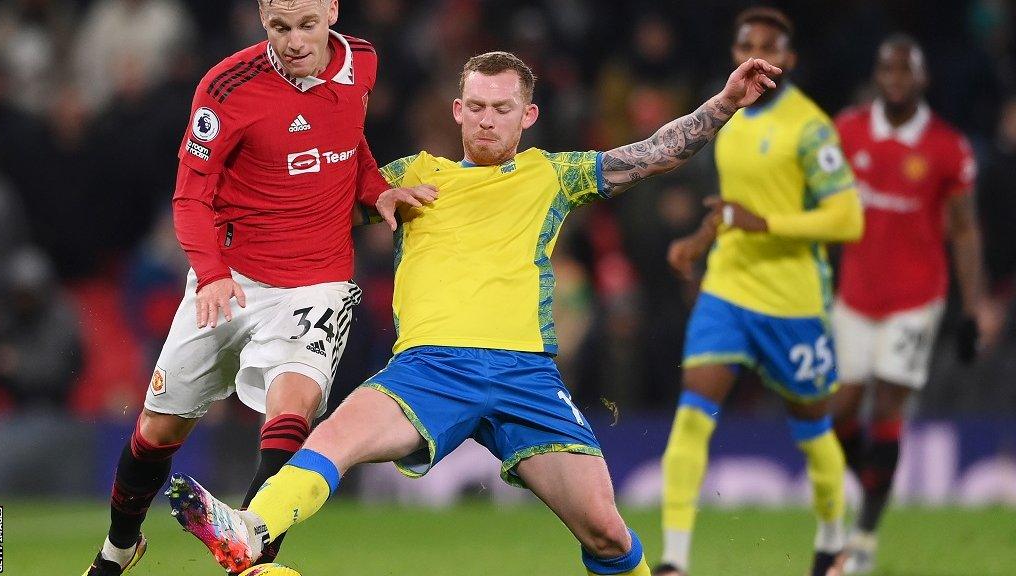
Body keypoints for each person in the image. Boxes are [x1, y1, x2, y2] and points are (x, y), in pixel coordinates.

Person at [165, 51, 779, 575]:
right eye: (476, 108)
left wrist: (724, 102)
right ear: (458, 110)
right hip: (429, 369)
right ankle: (249, 532)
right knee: (333, 439)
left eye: (501, 109)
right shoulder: (410, 178)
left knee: (607, 534)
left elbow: (651, 155)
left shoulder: (553, 175)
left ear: (528, 116)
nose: (487, 122)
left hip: (525, 377)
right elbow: (311, 207)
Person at [80, 1, 431, 574]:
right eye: (279, 28)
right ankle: (120, 547)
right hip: (231, 278)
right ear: (262, 20)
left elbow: (349, 138)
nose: (294, 42)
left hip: (317, 283)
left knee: (291, 410)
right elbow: (191, 196)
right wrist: (212, 273)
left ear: (332, 13)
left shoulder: (362, 63)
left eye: (307, 26)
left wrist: (376, 189)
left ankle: (252, 551)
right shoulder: (225, 89)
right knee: (157, 429)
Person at [655, 8, 863, 576]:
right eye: (748, 43)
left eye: (771, 46)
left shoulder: (810, 127)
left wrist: (766, 225)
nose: (758, 53)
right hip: (727, 286)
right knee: (693, 415)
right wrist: (701, 238)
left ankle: (832, 544)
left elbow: (848, 219)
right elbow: (733, 205)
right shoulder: (730, 115)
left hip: (791, 301)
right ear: (735, 52)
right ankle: (673, 560)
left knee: (813, 428)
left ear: (790, 59)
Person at [832, 35, 986, 575]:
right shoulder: (846, 131)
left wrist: (973, 306)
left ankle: (866, 537)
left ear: (922, 80)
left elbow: (965, 230)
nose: (896, 78)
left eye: (906, 71)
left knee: (888, 404)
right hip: (853, 295)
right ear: (877, 75)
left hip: (916, 299)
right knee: (839, 412)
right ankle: (874, 487)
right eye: (887, 69)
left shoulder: (947, 147)